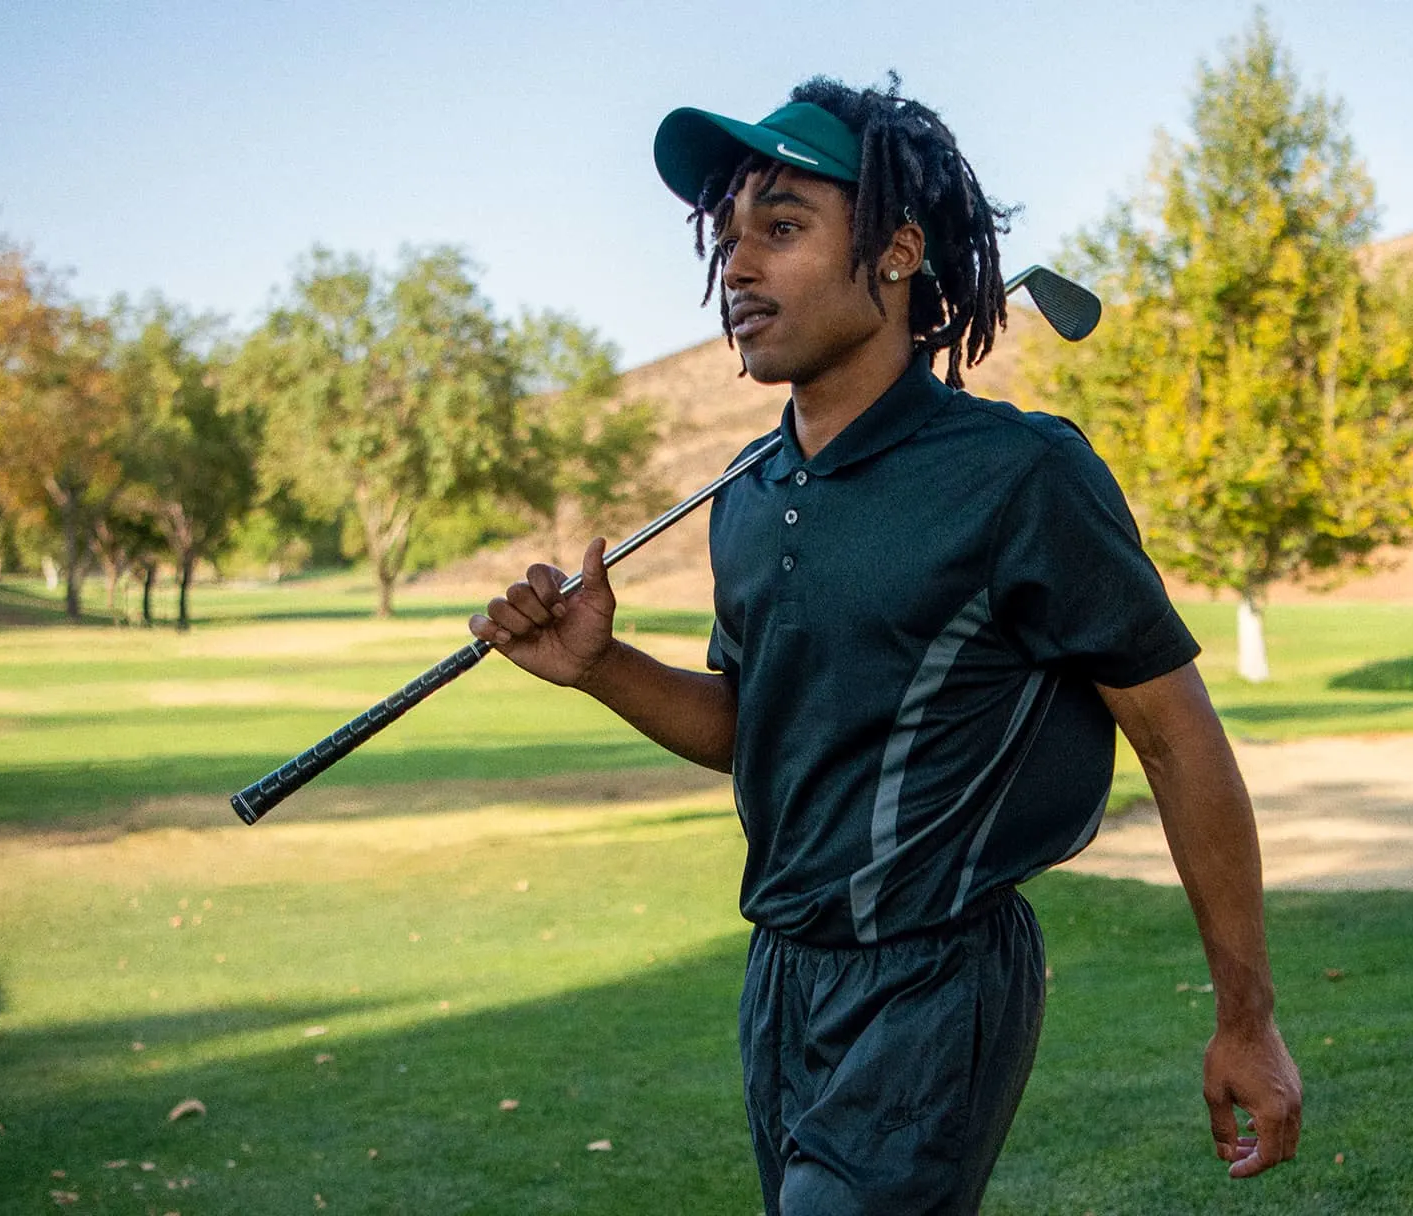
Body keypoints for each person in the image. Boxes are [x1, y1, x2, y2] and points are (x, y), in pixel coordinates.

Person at [471, 74, 1301, 1214]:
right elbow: (755, 730)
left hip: (937, 976)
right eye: (728, 236)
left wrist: (1246, 1018)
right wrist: (602, 668)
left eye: (782, 228)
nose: (739, 267)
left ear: (899, 250)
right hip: (780, 975)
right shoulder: (749, 494)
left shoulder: (1020, 476)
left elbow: (1176, 737)